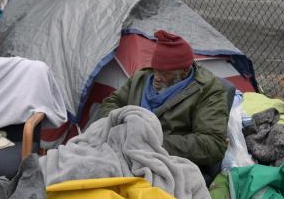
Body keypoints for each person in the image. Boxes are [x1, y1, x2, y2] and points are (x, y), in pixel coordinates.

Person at [94, 30, 230, 181]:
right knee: (81, 164)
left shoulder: (208, 91)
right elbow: (112, 103)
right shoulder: (142, 78)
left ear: (184, 72)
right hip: (121, 149)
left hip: (167, 163)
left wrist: (153, 141)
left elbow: (212, 144)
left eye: (164, 74)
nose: (156, 78)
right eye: (155, 70)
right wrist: (118, 129)